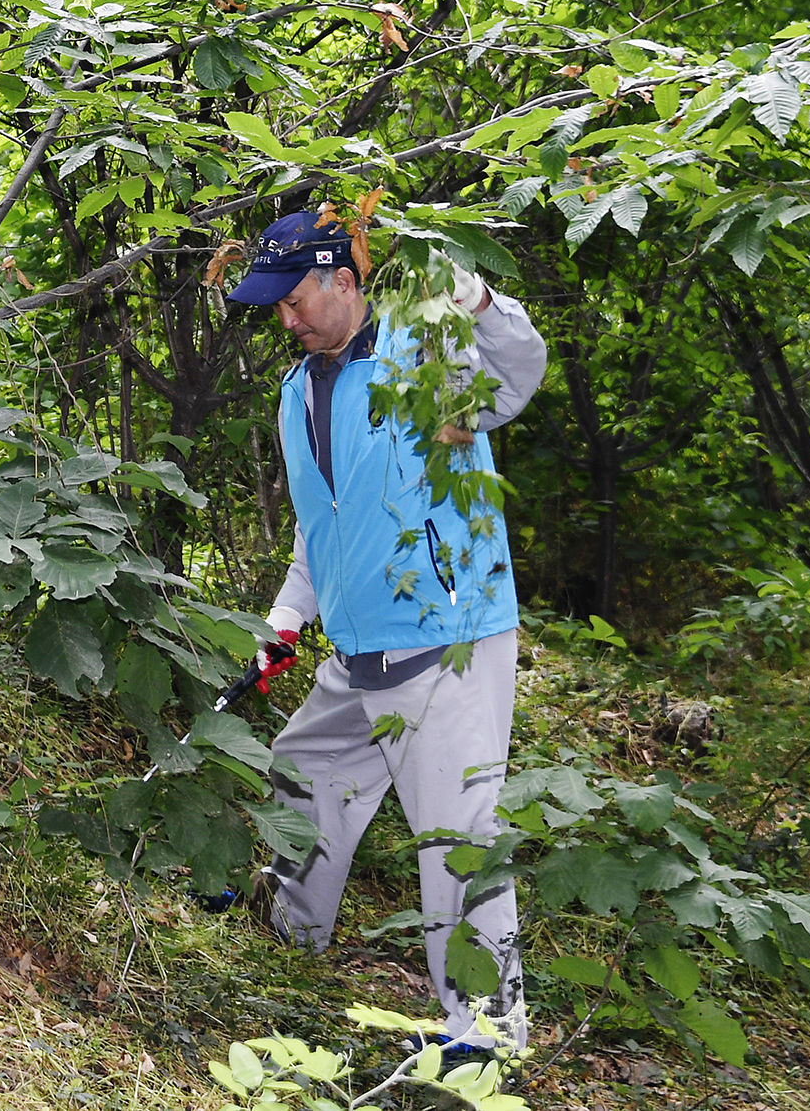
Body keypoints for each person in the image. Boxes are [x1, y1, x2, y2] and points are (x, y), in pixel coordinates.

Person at [223, 210, 548, 1057]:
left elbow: (518, 375)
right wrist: (287, 618)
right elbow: (320, 522)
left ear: (343, 281)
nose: (285, 321)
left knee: (455, 834)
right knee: (303, 770)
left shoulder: (423, 354)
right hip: (359, 645)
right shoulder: (298, 391)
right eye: (276, 308)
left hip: (445, 637)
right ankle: (290, 938)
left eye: (294, 301)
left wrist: (477, 300)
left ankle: (487, 1033)